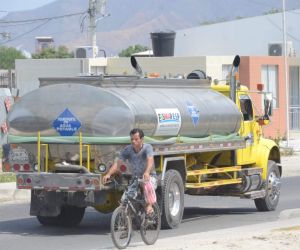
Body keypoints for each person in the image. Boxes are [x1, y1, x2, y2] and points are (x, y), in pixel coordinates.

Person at [103, 128, 157, 214]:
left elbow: (150, 160)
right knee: (125, 200)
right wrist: (108, 174)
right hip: (136, 178)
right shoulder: (128, 149)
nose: (133, 141)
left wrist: (147, 172)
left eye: (136, 139)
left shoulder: (147, 147)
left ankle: (149, 207)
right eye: (132, 139)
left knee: (145, 184)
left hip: (149, 177)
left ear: (142, 139)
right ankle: (126, 220)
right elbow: (118, 163)